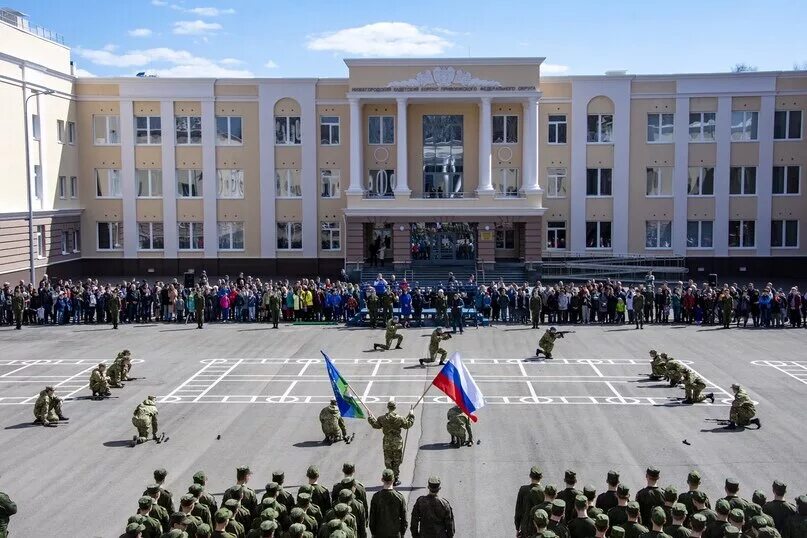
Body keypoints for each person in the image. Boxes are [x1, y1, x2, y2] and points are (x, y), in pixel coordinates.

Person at [367, 401, 415, 486]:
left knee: (388, 460)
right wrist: (411, 415)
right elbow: (408, 425)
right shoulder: (400, 418)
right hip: (397, 442)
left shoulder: (382, 418)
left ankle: (389, 477)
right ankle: (395, 479)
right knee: (397, 461)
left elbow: (376, 425)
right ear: (395, 407)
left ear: (388, 407)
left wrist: (370, 417)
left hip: (387, 442)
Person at [368, 469, 407, 538]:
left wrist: (373, 533)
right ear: (393, 480)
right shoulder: (399, 497)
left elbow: (372, 518)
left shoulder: (376, 497)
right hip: (395, 533)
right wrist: (402, 533)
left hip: (379, 533)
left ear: (382, 480)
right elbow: (404, 518)